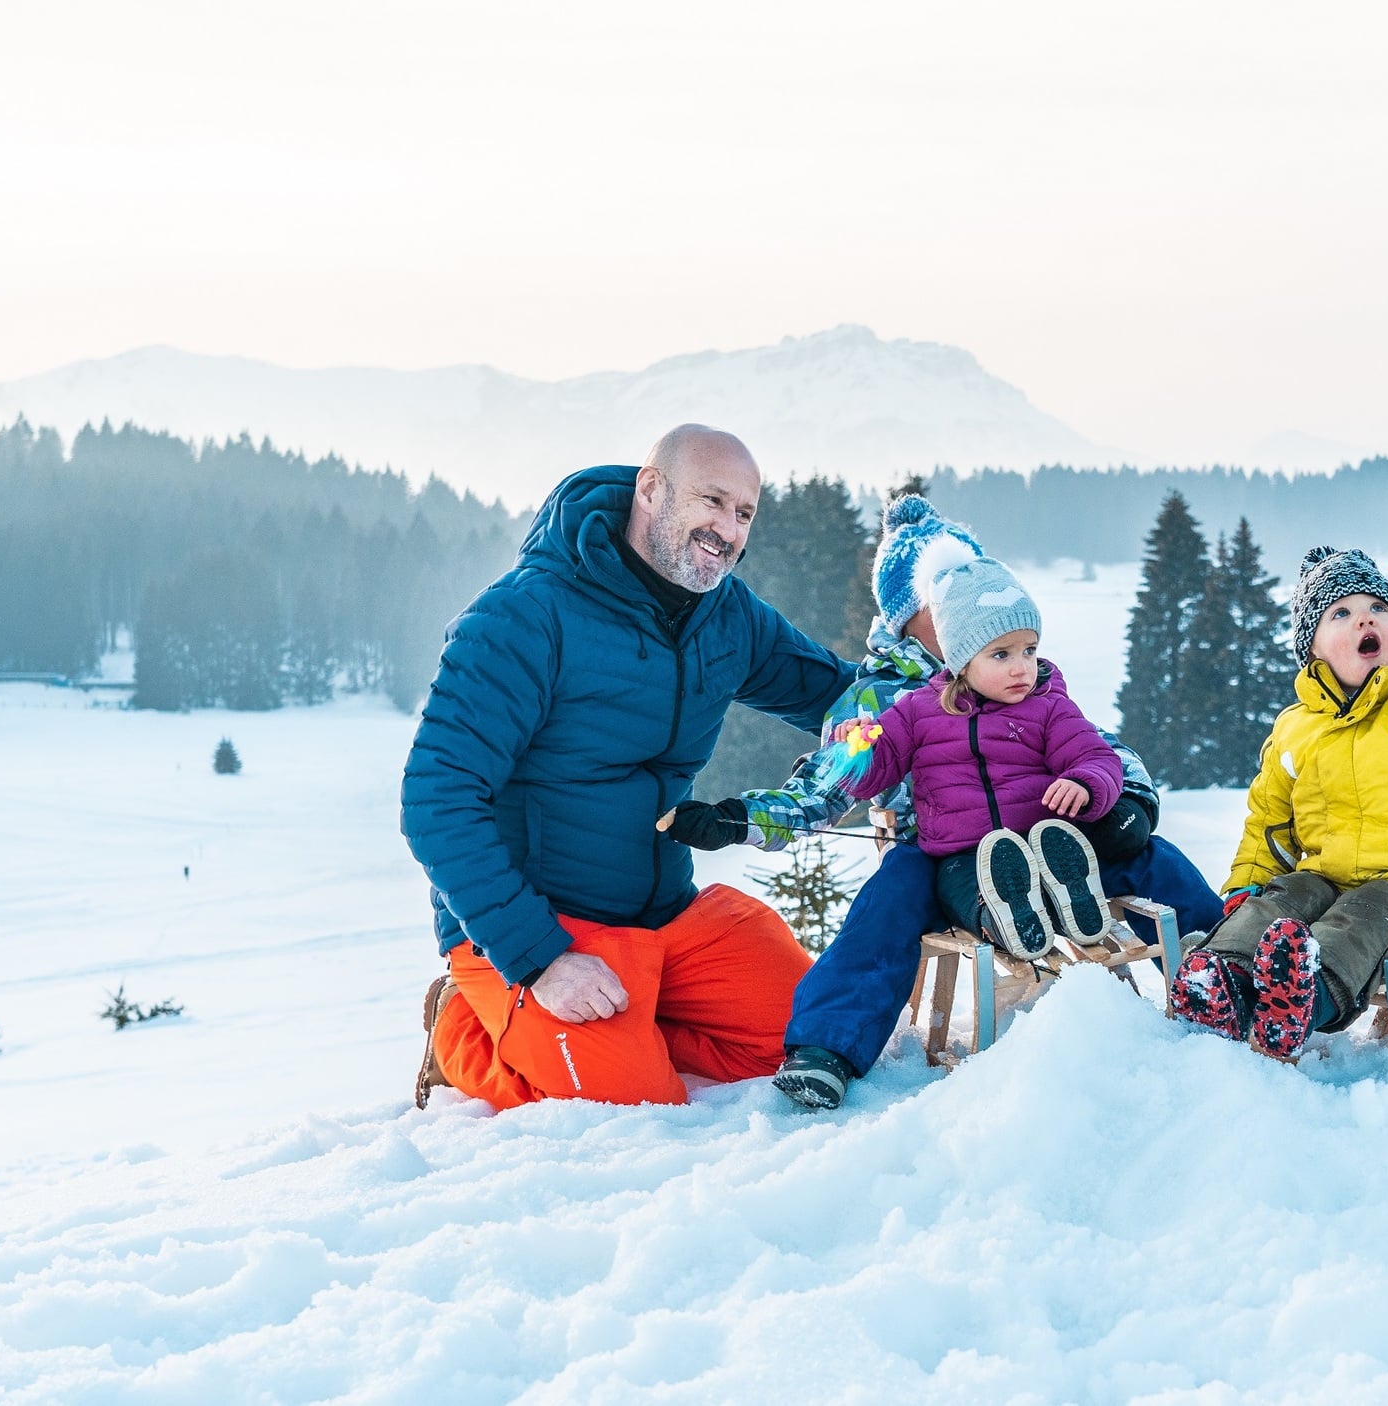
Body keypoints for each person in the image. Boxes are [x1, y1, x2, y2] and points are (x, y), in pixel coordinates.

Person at [670, 495, 1222, 1111]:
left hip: (1049, 835)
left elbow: (1097, 746)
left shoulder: (1026, 679)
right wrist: (743, 818)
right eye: (948, 597)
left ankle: (1229, 967)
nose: (971, 604)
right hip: (941, 851)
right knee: (885, 905)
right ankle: (826, 1048)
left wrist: (1127, 799)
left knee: (1152, 857)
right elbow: (832, 781)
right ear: (913, 614)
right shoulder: (886, 700)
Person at [404, 425, 852, 1110]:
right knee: (629, 1106)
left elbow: (838, 694)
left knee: (820, 1035)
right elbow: (435, 799)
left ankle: (627, 1025)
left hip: (664, 918)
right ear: (651, 489)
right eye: (711, 501)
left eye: (744, 513)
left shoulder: (726, 616)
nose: (727, 530)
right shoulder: (525, 616)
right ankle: (462, 1029)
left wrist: (975, 688)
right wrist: (540, 958)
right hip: (543, 928)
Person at [1171, 521, 1388, 1061]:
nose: (1364, 618)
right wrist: (1245, 889)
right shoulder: (1295, 728)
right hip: (1328, 878)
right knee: (1282, 900)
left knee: (1365, 917)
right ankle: (1221, 980)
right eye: (1341, 613)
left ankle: (1307, 999)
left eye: (1377, 608)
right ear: (1313, 647)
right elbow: (1270, 824)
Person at [830, 557, 1133, 957]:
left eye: (1029, 650)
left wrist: (1084, 783)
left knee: (1042, 868)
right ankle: (1006, 922)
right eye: (1001, 655)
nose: (1022, 668)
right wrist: (855, 748)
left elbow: (1096, 755)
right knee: (962, 889)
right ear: (960, 658)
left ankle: (1070, 896)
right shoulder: (917, 711)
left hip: (1038, 844)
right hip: (960, 854)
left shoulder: (1047, 707)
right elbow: (873, 776)